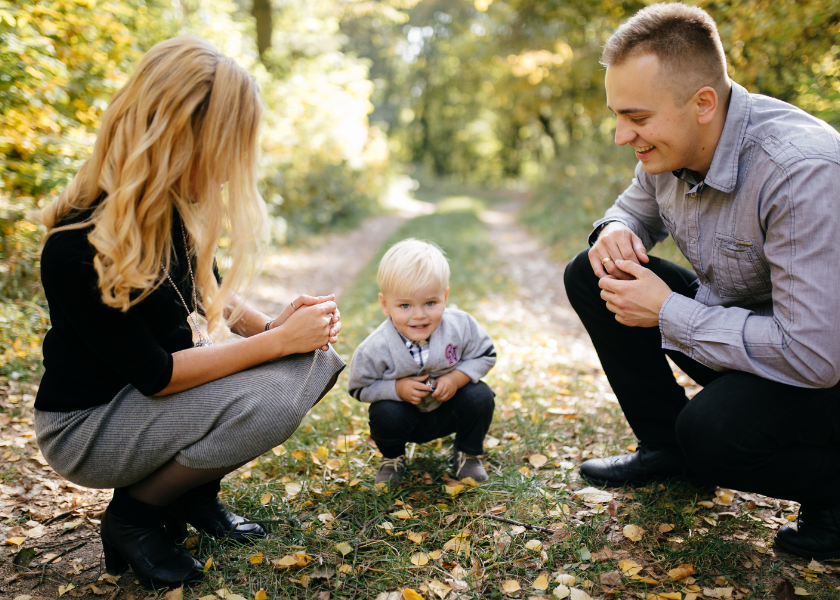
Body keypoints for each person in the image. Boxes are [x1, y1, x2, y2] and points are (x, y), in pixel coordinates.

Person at [33, 36, 346, 589]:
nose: (228, 174)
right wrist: (276, 345)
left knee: (315, 363)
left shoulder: (166, 214)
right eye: (224, 151)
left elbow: (209, 293)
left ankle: (189, 492)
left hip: (143, 408)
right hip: (87, 426)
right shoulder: (76, 244)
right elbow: (156, 376)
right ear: (178, 139)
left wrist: (278, 327)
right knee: (275, 391)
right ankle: (134, 516)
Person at [563, 3, 840, 560]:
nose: (622, 136)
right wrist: (613, 230)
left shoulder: (801, 172)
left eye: (636, 118)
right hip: (753, 331)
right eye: (618, 115)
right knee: (591, 270)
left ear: (703, 104)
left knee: (713, 434)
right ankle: (667, 452)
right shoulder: (669, 147)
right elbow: (630, 210)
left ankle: (832, 496)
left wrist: (667, 312)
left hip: (822, 364)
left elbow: (815, 354)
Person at [347, 239, 496, 486]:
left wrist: (456, 378)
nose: (419, 315)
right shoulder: (375, 347)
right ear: (385, 305)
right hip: (406, 418)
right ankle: (392, 459)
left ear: (445, 296)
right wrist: (396, 389)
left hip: (450, 410)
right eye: (405, 305)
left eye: (430, 303)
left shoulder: (461, 325)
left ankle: (467, 454)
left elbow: (486, 353)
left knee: (480, 395)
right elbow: (359, 387)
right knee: (383, 412)